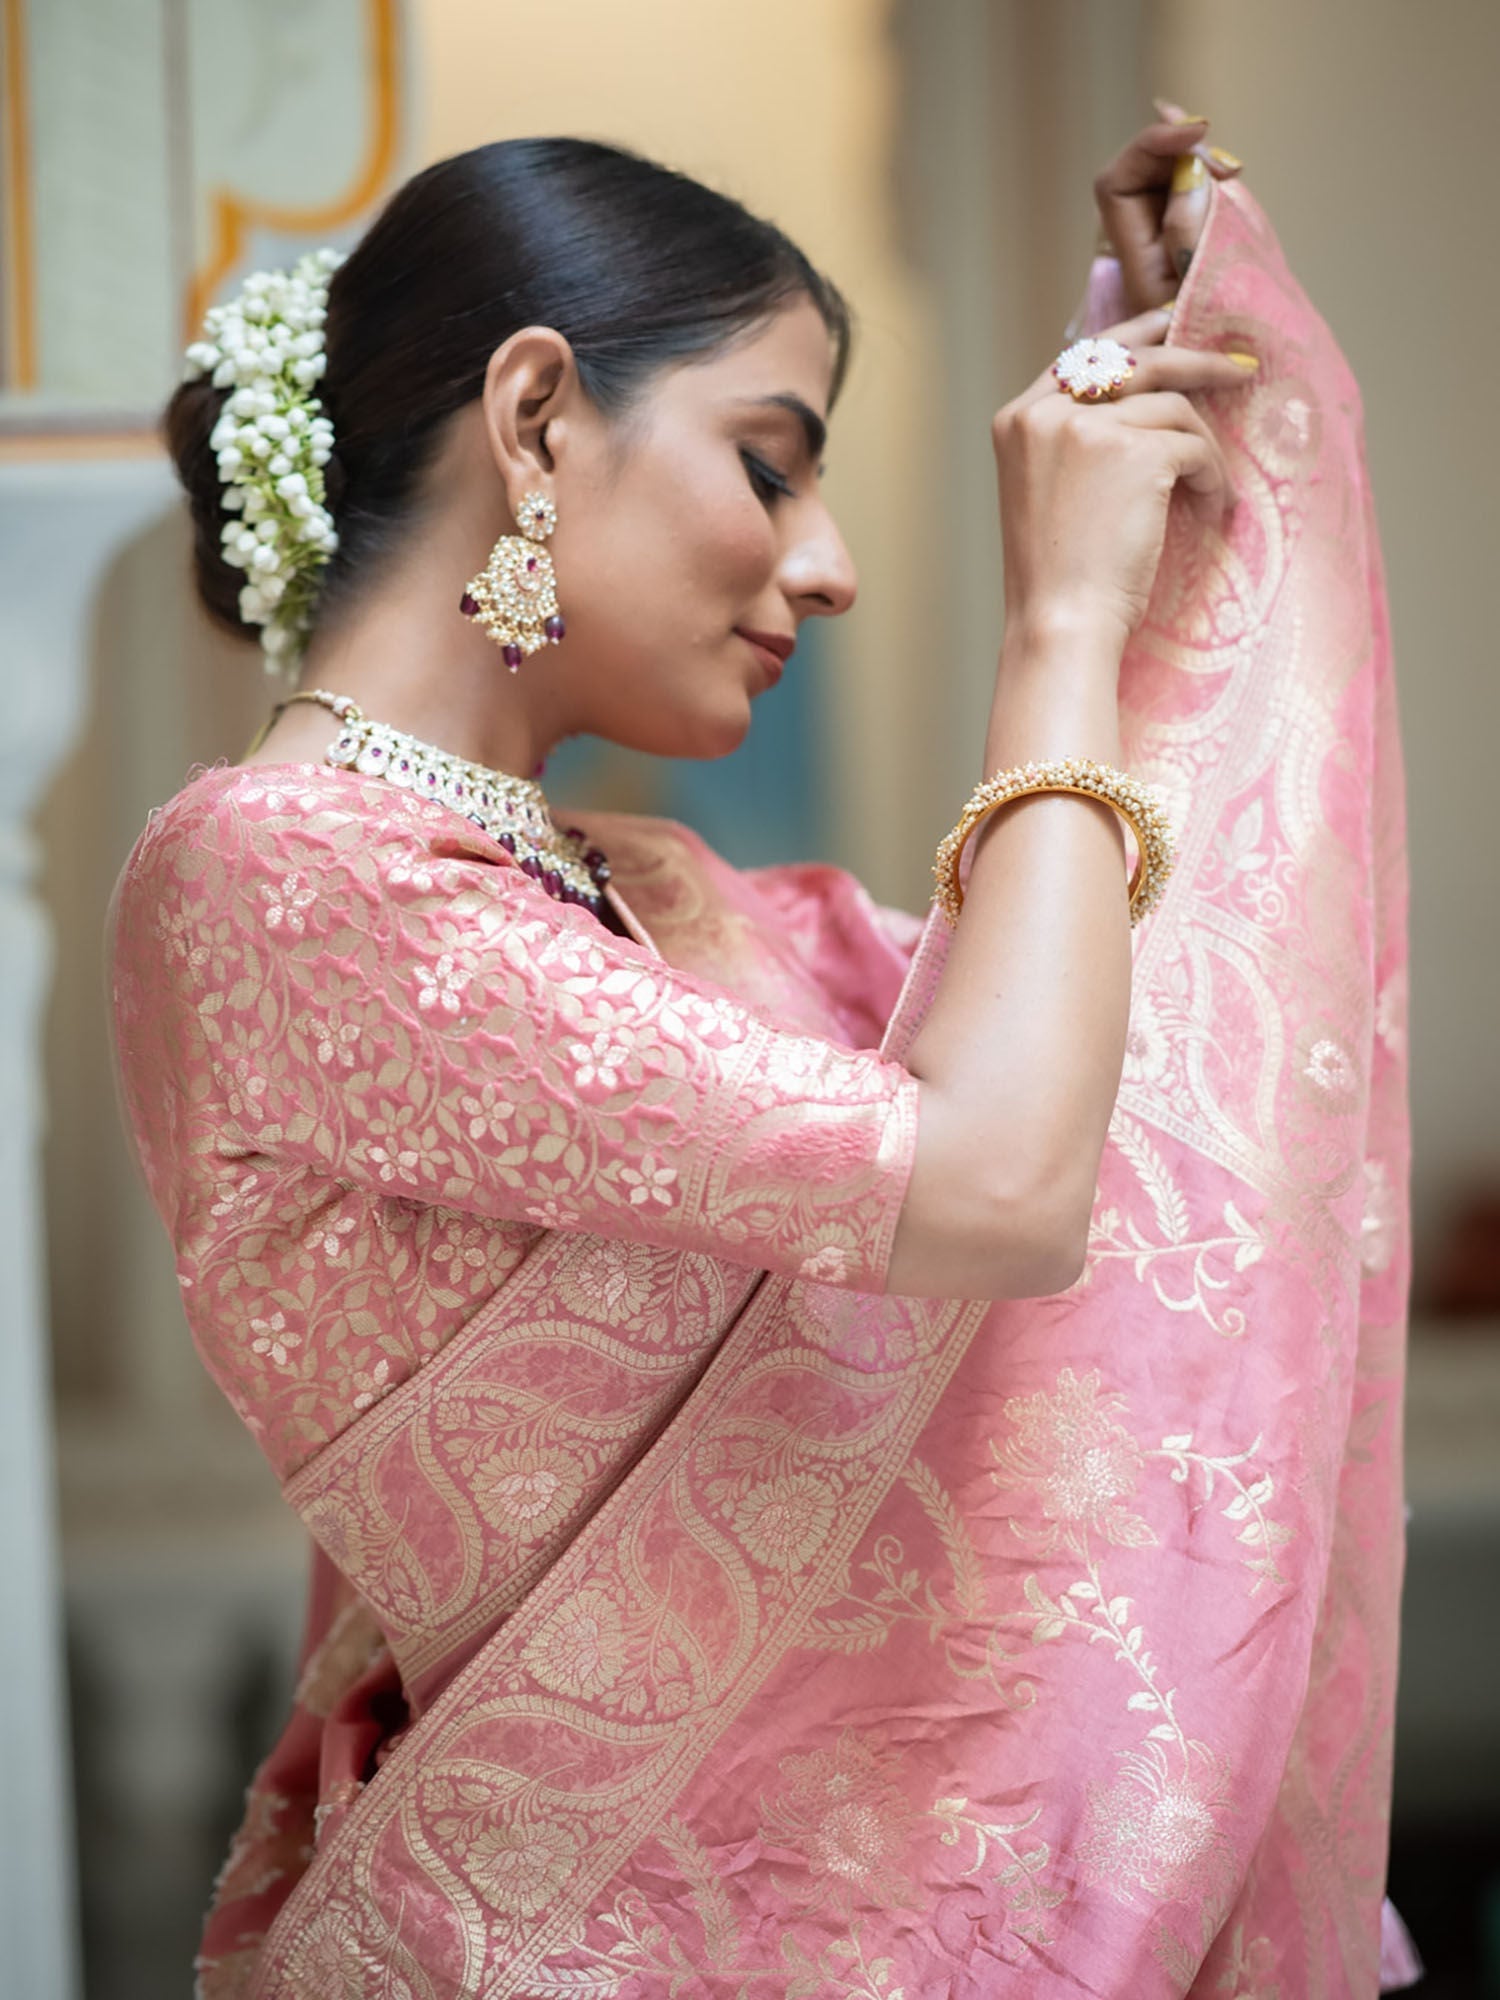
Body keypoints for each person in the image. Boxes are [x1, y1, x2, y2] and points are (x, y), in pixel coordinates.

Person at [109, 114, 1415, 1997]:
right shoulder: (282, 880)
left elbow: (1123, 1045)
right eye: (769, 465)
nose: (831, 566)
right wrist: (1058, 621)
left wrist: (1177, 374)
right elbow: (994, 1184)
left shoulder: (637, 894)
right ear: (541, 415)